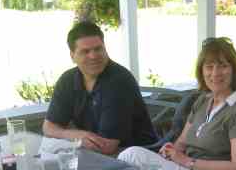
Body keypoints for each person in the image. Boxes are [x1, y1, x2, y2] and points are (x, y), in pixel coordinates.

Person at [118, 37, 236, 170]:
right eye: (209, 67)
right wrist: (171, 151)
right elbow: (182, 142)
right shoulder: (203, 100)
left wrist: (187, 161)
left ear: (234, 71)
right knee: (133, 162)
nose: (215, 73)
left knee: (131, 155)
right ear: (201, 71)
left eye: (223, 66)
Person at [43, 21, 157, 155]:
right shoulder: (68, 79)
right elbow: (48, 127)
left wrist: (69, 137)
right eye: (85, 51)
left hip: (134, 157)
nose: (93, 56)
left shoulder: (119, 81)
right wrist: (77, 135)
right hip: (98, 155)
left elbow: (107, 147)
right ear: (72, 56)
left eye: (98, 49)